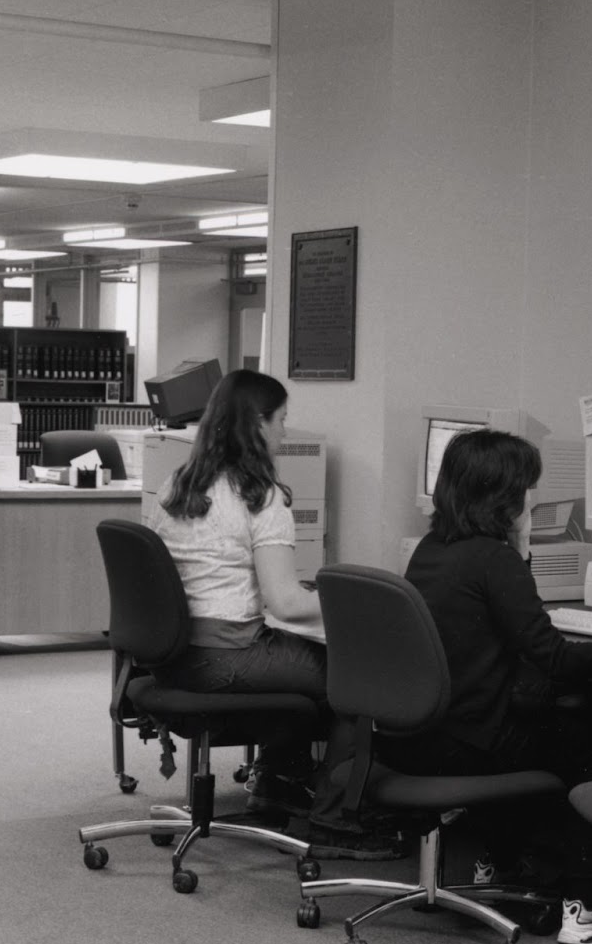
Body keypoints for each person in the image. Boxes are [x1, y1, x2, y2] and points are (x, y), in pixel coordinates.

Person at [401, 427, 592, 944]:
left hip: (425, 734)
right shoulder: (493, 560)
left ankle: (510, 858)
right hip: (472, 740)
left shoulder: (433, 548)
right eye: (528, 487)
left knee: (578, 714)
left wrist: (520, 543)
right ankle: (585, 901)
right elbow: (556, 659)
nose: (534, 496)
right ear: (506, 493)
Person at [143, 368, 401, 860]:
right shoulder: (261, 498)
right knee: (358, 683)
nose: (284, 431)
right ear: (258, 424)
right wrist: (353, 607)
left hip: (177, 655)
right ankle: (334, 821)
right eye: (281, 420)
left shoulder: (178, 486)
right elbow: (285, 602)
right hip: (228, 654)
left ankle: (278, 784)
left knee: (301, 667)